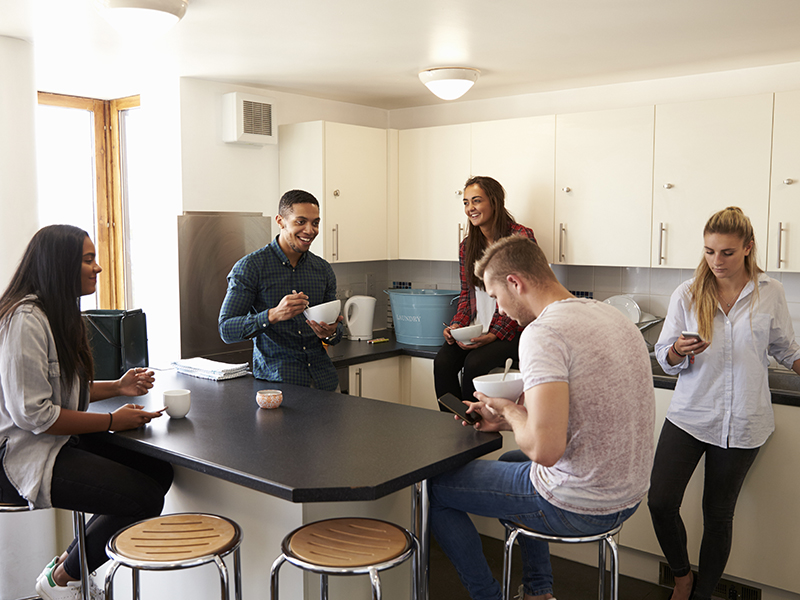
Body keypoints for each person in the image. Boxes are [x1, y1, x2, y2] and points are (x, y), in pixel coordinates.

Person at [430, 235, 654, 600]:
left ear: (516, 283)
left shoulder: (542, 333)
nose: (498, 310)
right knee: (511, 457)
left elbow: (545, 451)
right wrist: (508, 419)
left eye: (495, 297)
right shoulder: (611, 315)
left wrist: (510, 410)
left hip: (580, 504)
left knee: (435, 490)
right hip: (627, 495)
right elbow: (579, 413)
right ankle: (538, 592)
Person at [0, 224, 173, 600]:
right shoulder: (25, 320)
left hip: (54, 441)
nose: (97, 268)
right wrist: (113, 420)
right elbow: (35, 415)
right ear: (60, 266)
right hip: (19, 456)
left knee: (159, 471)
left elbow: (62, 393)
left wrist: (117, 387)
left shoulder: (58, 315)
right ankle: (65, 579)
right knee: (144, 498)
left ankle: (66, 567)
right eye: (88, 259)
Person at [648, 206, 800, 600]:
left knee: (718, 516)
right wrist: (679, 349)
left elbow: (785, 349)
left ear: (748, 248)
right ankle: (682, 576)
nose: (717, 261)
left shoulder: (771, 293)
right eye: (709, 251)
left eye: (727, 252)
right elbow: (664, 356)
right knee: (661, 502)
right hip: (690, 415)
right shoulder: (688, 292)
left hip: (745, 421)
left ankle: (701, 595)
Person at [218, 189, 344, 391]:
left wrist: (330, 332)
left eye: (315, 223)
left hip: (325, 383)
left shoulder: (322, 269)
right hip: (278, 386)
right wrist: (273, 315)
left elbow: (336, 333)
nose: (310, 230)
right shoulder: (250, 267)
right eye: (301, 222)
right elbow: (226, 329)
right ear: (280, 221)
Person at [434, 176, 536, 407]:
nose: (470, 208)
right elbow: (466, 295)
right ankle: (452, 421)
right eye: (466, 203)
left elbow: (522, 297)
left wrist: (493, 334)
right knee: (442, 361)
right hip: (478, 328)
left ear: (494, 201)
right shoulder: (467, 246)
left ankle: (474, 427)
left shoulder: (520, 238)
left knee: (474, 363)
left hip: (513, 331)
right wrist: (457, 325)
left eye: (476, 201)